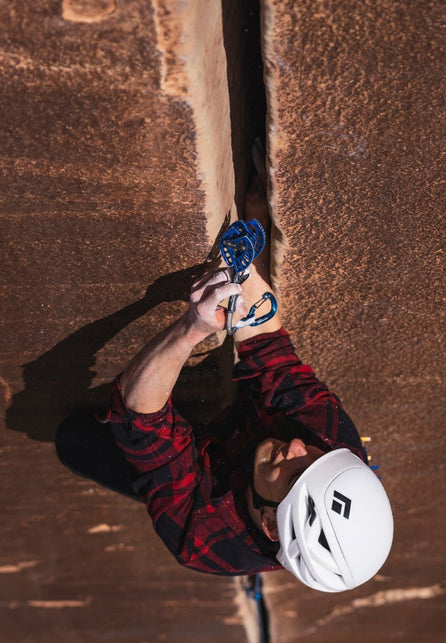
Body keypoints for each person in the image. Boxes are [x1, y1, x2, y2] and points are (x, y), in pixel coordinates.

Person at [56, 158, 393, 592]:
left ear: (271, 524)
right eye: (315, 458)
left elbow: (140, 418)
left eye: (295, 473)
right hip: (242, 446)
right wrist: (247, 247)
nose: (298, 447)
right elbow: (269, 348)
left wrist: (192, 327)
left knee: (74, 442)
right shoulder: (330, 439)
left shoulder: (203, 536)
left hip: (202, 485)